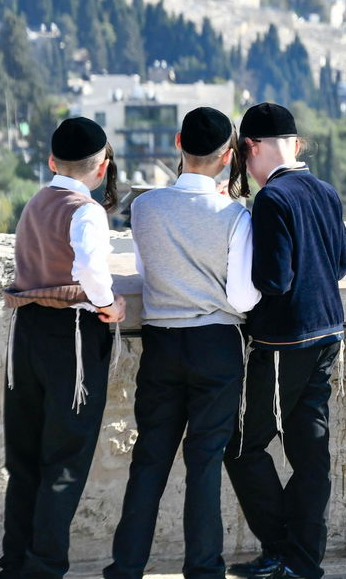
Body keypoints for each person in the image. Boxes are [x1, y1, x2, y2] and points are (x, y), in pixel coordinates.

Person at [104, 107, 260, 579]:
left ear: (178, 142)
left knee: (149, 459)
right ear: (228, 156)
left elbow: (147, 271)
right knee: (205, 462)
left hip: (162, 343)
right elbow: (242, 297)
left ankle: (126, 567)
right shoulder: (235, 216)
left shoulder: (145, 207)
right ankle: (204, 569)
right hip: (216, 343)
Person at [224, 103, 346, 579]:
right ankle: (303, 561)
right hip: (328, 332)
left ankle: (280, 550)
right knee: (310, 456)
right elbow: (343, 262)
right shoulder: (324, 190)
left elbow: (273, 280)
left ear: (251, 147)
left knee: (242, 446)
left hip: (284, 343)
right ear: (296, 145)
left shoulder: (272, 200)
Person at [0, 117, 126, 579]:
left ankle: (16, 565)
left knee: (25, 461)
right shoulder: (85, 210)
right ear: (102, 167)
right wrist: (110, 304)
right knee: (65, 461)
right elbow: (91, 269)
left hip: (25, 332)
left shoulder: (34, 202)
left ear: (52, 161)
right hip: (70, 334)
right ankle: (44, 569)